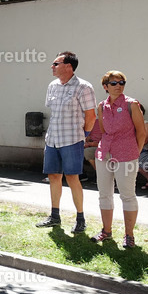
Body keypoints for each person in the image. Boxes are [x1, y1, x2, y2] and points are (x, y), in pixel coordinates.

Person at [38, 51, 97, 232]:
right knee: (53, 177)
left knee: (72, 178)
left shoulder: (84, 87)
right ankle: (54, 216)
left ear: (68, 66)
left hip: (72, 140)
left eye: (56, 63)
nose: (52, 67)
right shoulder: (53, 86)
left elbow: (91, 116)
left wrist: (83, 134)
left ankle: (80, 218)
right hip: (53, 139)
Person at [88, 71, 147, 247]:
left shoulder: (131, 104)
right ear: (105, 87)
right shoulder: (101, 106)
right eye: (113, 83)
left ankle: (129, 235)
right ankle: (106, 231)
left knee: (127, 195)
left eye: (122, 82)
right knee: (104, 194)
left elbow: (141, 132)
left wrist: (135, 153)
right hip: (104, 153)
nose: (118, 86)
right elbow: (104, 131)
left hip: (126, 155)